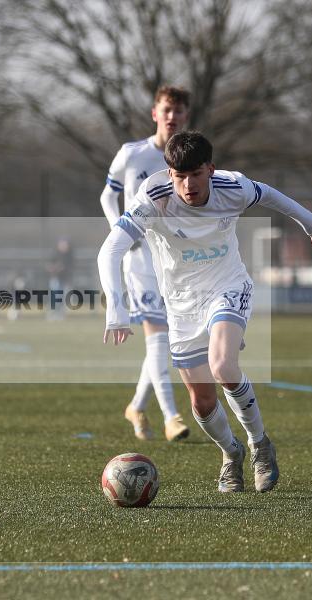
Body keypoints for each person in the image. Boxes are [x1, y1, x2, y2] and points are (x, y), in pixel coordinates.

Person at [97, 131, 312, 493]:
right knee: (201, 402)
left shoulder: (232, 187)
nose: (187, 185)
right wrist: (116, 309)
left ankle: (259, 445)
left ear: (210, 169)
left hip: (228, 287)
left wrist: (309, 220)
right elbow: (109, 250)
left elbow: (268, 193)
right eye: (179, 176)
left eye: (195, 174)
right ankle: (230, 452)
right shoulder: (153, 198)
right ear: (169, 173)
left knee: (223, 366)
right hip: (181, 304)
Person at [99, 85, 192, 443]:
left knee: (167, 342)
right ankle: (172, 417)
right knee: (158, 338)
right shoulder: (132, 153)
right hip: (139, 261)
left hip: (174, 261)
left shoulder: (185, 158)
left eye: (179, 111)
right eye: (167, 110)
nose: (172, 117)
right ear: (155, 113)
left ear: (186, 116)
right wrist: (121, 231)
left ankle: (137, 406)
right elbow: (108, 194)